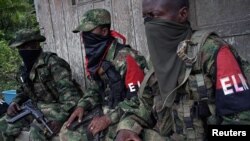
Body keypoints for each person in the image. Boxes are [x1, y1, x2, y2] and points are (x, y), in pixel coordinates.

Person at [115, 0, 250, 140]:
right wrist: (127, 127)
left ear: (183, 14)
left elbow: (241, 122)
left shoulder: (213, 52)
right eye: (145, 17)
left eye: (154, 15)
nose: (149, 23)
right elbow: (145, 103)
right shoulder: (157, 59)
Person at [59, 8, 148, 141]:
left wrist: (107, 119)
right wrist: (82, 105)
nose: (84, 36)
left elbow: (140, 100)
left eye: (89, 32)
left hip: (127, 116)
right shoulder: (98, 57)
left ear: (104, 31)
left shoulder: (128, 58)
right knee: (67, 131)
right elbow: (95, 87)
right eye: (83, 33)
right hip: (105, 109)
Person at [0, 29, 82, 141]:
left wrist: (61, 118)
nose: (22, 51)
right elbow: (23, 91)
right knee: (3, 125)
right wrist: (15, 102)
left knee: (37, 132)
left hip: (59, 108)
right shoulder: (24, 69)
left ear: (36, 45)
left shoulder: (53, 63)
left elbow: (73, 98)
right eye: (20, 48)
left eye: (25, 47)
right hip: (34, 108)